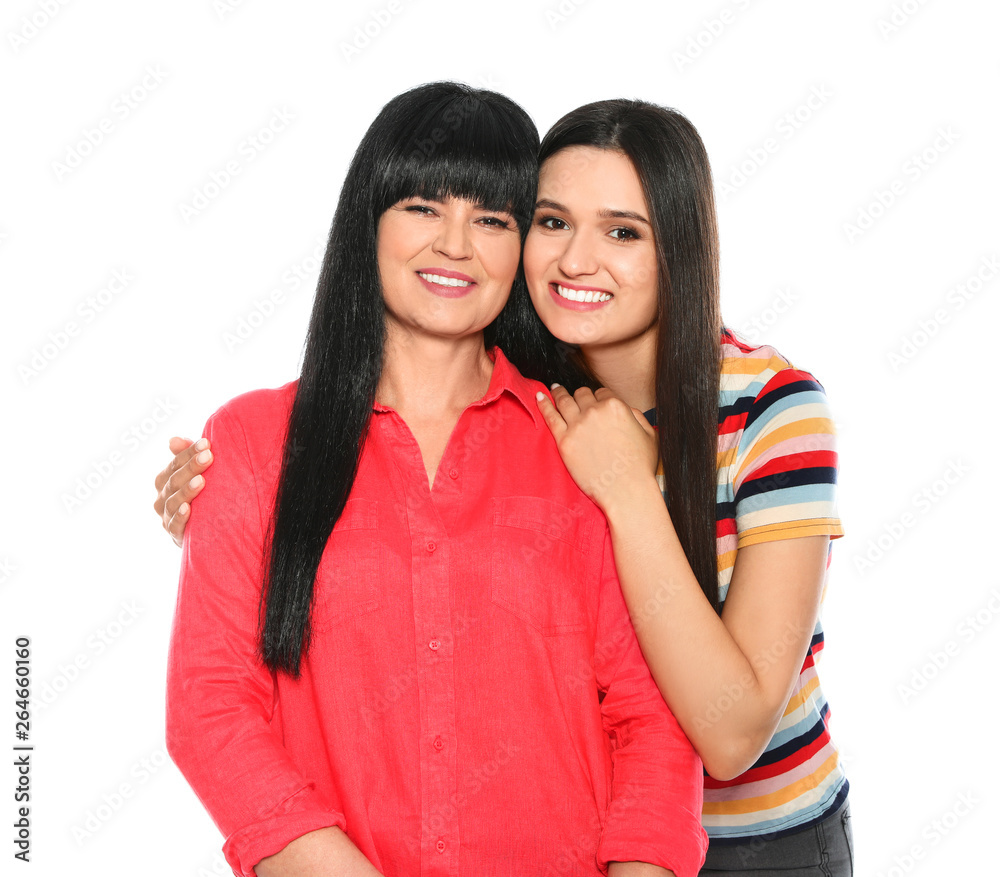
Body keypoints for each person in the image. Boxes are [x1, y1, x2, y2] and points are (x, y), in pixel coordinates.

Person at [158, 93, 852, 876]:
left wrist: (628, 489)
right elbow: (214, 700)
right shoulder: (549, 402)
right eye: (554, 222)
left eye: (623, 231)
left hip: (770, 833)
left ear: (679, 249)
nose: (577, 261)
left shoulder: (734, 416)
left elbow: (713, 731)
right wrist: (231, 502)